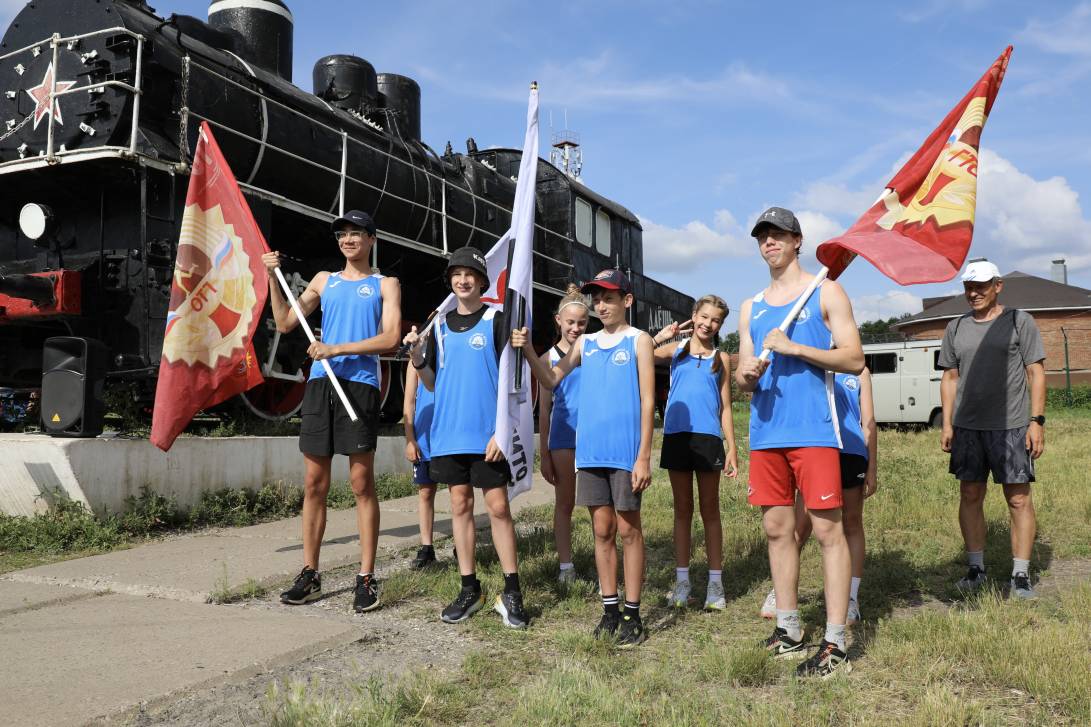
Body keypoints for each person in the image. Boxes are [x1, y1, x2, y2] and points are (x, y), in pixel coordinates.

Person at [735, 206, 863, 678]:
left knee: (829, 532)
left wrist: (796, 349)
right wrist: (745, 373)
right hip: (767, 433)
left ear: (797, 241)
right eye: (762, 236)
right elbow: (745, 375)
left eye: (778, 235)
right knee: (776, 531)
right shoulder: (751, 306)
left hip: (813, 431)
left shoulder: (826, 291)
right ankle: (789, 627)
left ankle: (836, 641)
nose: (769, 243)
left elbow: (854, 359)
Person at [264, 210, 401, 614]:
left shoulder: (385, 284)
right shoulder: (325, 280)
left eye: (357, 233)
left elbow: (392, 338)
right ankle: (310, 573)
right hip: (321, 385)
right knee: (313, 483)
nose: (348, 239)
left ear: (371, 239)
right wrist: (273, 279)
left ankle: (366, 577)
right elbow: (285, 321)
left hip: (360, 386)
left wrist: (336, 348)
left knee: (361, 482)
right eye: (343, 234)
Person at [516, 269, 655, 648]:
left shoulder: (639, 341)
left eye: (609, 297)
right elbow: (550, 378)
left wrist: (644, 456)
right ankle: (609, 610)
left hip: (625, 454)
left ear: (627, 301)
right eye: (597, 297)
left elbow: (647, 401)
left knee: (629, 531)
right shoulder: (587, 344)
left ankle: (633, 612)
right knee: (602, 531)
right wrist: (529, 350)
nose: (601, 304)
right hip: (590, 454)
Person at [403, 246, 530, 629]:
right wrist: (418, 358)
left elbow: (514, 384)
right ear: (450, 281)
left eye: (470, 274)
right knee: (459, 506)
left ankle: (512, 590)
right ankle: (468, 587)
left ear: (482, 281)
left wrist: (503, 432)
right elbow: (432, 383)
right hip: (449, 435)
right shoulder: (438, 326)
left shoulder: (497, 320)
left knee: (498, 509)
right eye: (457, 274)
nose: (463, 280)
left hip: (487, 437)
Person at [938, 260, 1046, 600]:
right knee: (970, 495)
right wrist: (947, 423)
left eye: (982, 286)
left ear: (998, 285)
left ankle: (1020, 575)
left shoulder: (1018, 320)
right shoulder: (955, 328)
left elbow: (1036, 372)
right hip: (968, 429)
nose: (974, 293)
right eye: (969, 287)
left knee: (1017, 499)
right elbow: (950, 377)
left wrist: (1036, 421)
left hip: (1011, 427)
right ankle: (975, 569)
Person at [760, 367, 878, 625]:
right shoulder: (809, 362)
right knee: (800, 526)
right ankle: (780, 594)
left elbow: (869, 423)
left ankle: (850, 599)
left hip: (852, 453)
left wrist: (872, 467)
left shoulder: (860, 372)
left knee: (851, 523)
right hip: (817, 447)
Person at [652, 295, 739, 611]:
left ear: (720, 325)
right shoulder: (676, 351)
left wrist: (732, 448)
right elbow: (639, 354)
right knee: (682, 509)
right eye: (703, 317)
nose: (708, 324)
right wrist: (663, 335)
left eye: (715, 320)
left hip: (708, 440)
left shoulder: (722, 358)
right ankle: (682, 582)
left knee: (710, 509)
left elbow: (726, 407)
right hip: (677, 437)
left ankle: (715, 585)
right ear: (694, 316)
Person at [537, 284, 590, 584]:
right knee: (565, 503)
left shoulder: (592, 352)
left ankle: (602, 558)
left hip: (593, 439)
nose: (575, 328)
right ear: (559, 320)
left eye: (581, 323)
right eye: (570, 322)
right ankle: (566, 567)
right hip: (562, 440)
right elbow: (544, 411)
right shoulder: (548, 359)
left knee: (599, 506)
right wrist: (544, 454)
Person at [403, 363, 439, 569]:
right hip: (425, 436)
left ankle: (463, 542)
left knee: (459, 492)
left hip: (450, 434)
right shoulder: (415, 360)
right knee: (425, 492)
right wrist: (410, 439)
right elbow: (409, 403)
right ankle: (427, 547)